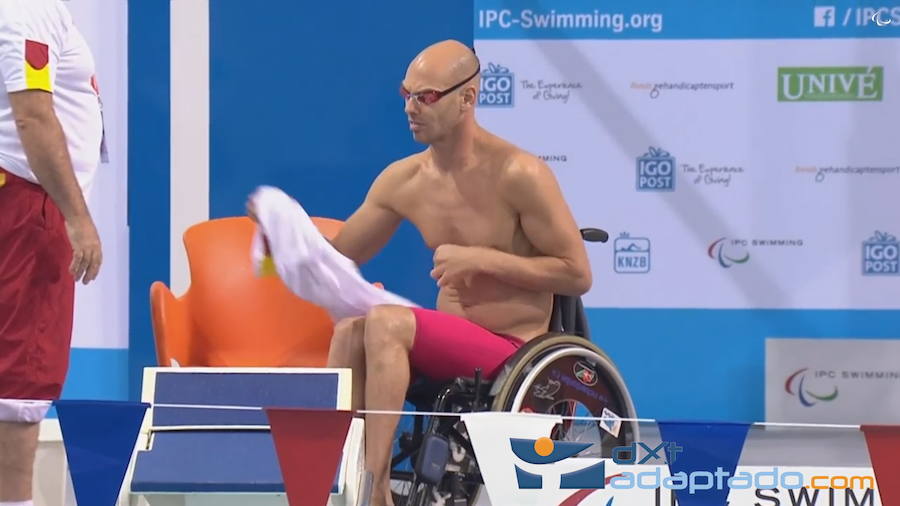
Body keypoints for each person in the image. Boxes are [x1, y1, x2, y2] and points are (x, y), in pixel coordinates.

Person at [321, 40, 592, 505]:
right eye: (405, 94)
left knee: (387, 322)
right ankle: (336, 479)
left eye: (425, 97)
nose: (410, 108)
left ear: (467, 98)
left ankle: (375, 491)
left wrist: (480, 259)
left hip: (512, 354)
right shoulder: (403, 180)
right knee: (351, 330)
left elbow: (576, 273)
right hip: (452, 347)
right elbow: (341, 254)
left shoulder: (519, 173)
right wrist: (279, 244)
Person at [0, 0, 104, 504]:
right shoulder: (26, 10)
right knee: (23, 362)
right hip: (26, 201)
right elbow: (34, 119)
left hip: (23, 196)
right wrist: (77, 216)